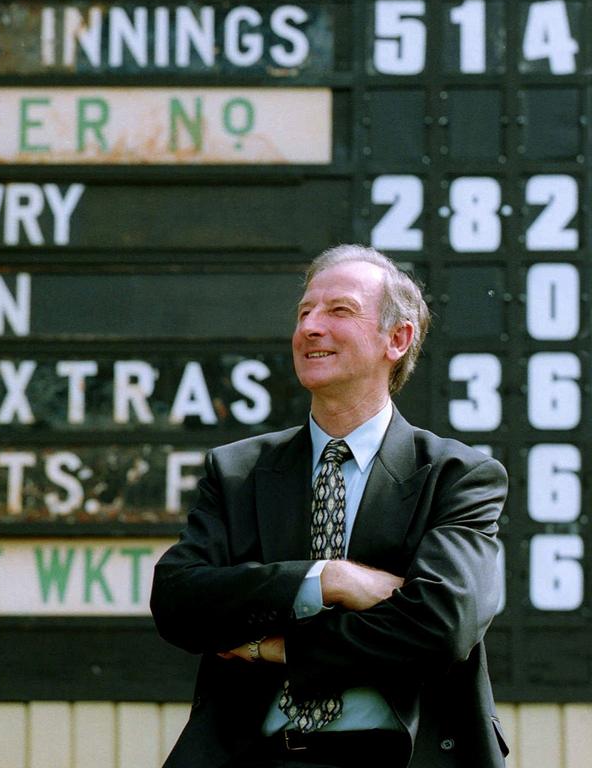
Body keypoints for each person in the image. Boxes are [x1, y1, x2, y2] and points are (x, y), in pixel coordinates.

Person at [150, 244, 509, 768]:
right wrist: (328, 579)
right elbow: (179, 600)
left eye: (338, 311)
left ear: (397, 338)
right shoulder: (237, 473)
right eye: (304, 313)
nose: (311, 327)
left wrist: (276, 648)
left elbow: (442, 627)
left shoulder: (458, 477)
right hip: (254, 757)